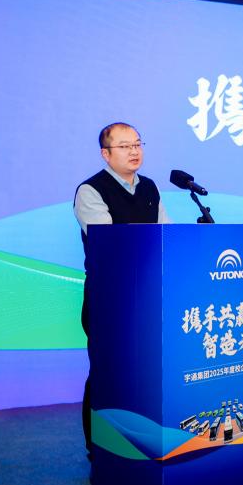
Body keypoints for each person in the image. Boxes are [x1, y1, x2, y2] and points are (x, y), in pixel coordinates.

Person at [74, 122, 170, 458]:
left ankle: (140, 445)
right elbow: (111, 242)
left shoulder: (150, 187)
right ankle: (99, 448)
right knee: (108, 372)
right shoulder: (91, 191)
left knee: (144, 372)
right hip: (109, 301)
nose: (134, 151)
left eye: (138, 144)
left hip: (148, 298)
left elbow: (166, 236)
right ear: (106, 153)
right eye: (125, 146)